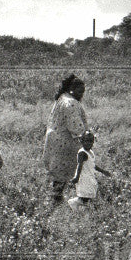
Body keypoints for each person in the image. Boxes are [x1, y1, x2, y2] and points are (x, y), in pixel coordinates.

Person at [43, 74, 89, 204]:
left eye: (83, 92)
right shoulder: (71, 103)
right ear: (71, 89)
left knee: (59, 174)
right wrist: (87, 136)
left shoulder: (62, 98)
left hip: (56, 142)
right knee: (76, 170)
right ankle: (74, 201)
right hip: (64, 144)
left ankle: (56, 200)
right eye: (80, 91)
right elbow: (76, 127)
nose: (82, 94)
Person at [68, 129, 112, 211]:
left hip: (90, 176)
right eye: (86, 141)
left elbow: (92, 165)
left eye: (90, 141)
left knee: (90, 195)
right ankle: (73, 203)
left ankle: (82, 209)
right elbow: (79, 166)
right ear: (81, 141)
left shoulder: (90, 152)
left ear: (93, 142)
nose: (88, 143)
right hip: (84, 178)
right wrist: (76, 178)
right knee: (86, 196)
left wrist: (103, 171)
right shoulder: (82, 153)